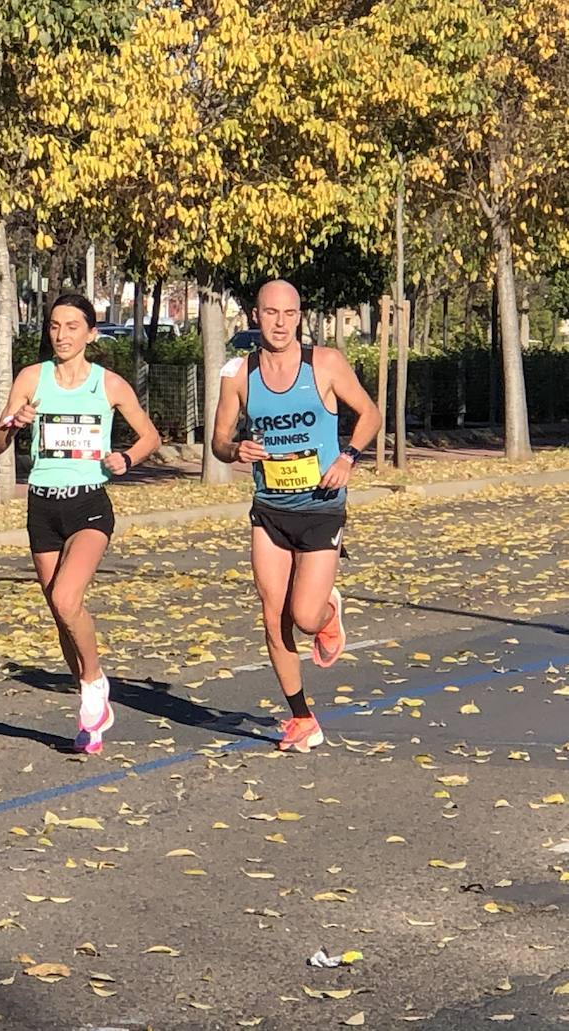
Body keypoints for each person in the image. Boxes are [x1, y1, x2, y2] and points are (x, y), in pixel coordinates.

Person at [211, 279, 380, 753]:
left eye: (289, 314)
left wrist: (347, 457)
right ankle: (302, 718)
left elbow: (369, 413)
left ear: (299, 317)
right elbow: (219, 440)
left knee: (303, 616)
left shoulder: (324, 364)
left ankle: (328, 610)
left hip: (321, 508)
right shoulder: (238, 374)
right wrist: (234, 448)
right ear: (256, 316)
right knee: (272, 617)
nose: (280, 323)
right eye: (270, 313)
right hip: (269, 510)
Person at [0, 293, 162, 754]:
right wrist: (13, 424)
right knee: (60, 613)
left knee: (68, 598)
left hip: (88, 503)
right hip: (42, 506)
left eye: (71, 327)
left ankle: (93, 687)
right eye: (54, 326)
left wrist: (126, 458)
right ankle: (92, 708)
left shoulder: (109, 385)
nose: (61, 335)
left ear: (91, 333)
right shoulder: (32, 378)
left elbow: (150, 437)